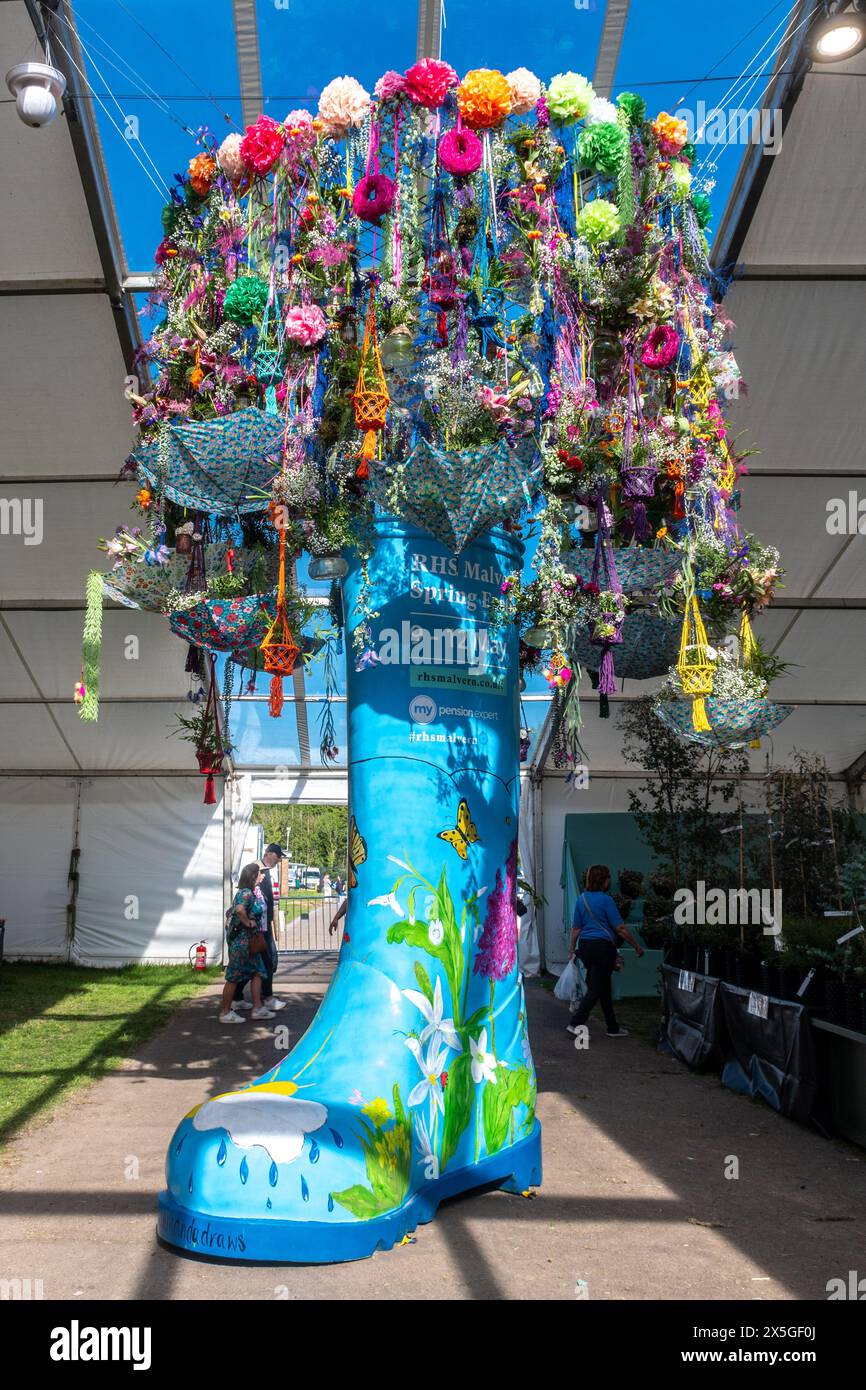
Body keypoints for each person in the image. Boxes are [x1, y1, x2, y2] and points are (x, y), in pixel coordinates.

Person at [567, 864, 645, 1039]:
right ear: (604, 881)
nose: (610, 880)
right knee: (595, 989)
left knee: (603, 988)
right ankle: (576, 1022)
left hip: (585, 947)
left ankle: (612, 1027)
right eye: (608, 877)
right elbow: (621, 929)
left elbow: (575, 928)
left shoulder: (582, 899)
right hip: (603, 948)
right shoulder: (606, 900)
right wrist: (637, 946)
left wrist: (572, 948)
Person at [232, 843, 286, 1013]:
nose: (278, 860)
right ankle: (266, 998)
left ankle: (238, 998)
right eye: (277, 857)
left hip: (262, 924)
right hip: (258, 927)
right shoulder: (258, 870)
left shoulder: (265, 871)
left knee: (255, 964)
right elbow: (250, 900)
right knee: (266, 962)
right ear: (269, 854)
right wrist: (250, 922)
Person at [219, 863, 275, 1024]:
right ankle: (225, 1012)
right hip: (242, 943)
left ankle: (257, 1008)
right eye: (259, 874)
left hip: (249, 942)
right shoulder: (246, 893)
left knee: (258, 972)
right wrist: (248, 922)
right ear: (253, 876)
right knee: (234, 976)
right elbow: (239, 910)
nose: (262, 876)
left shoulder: (249, 892)